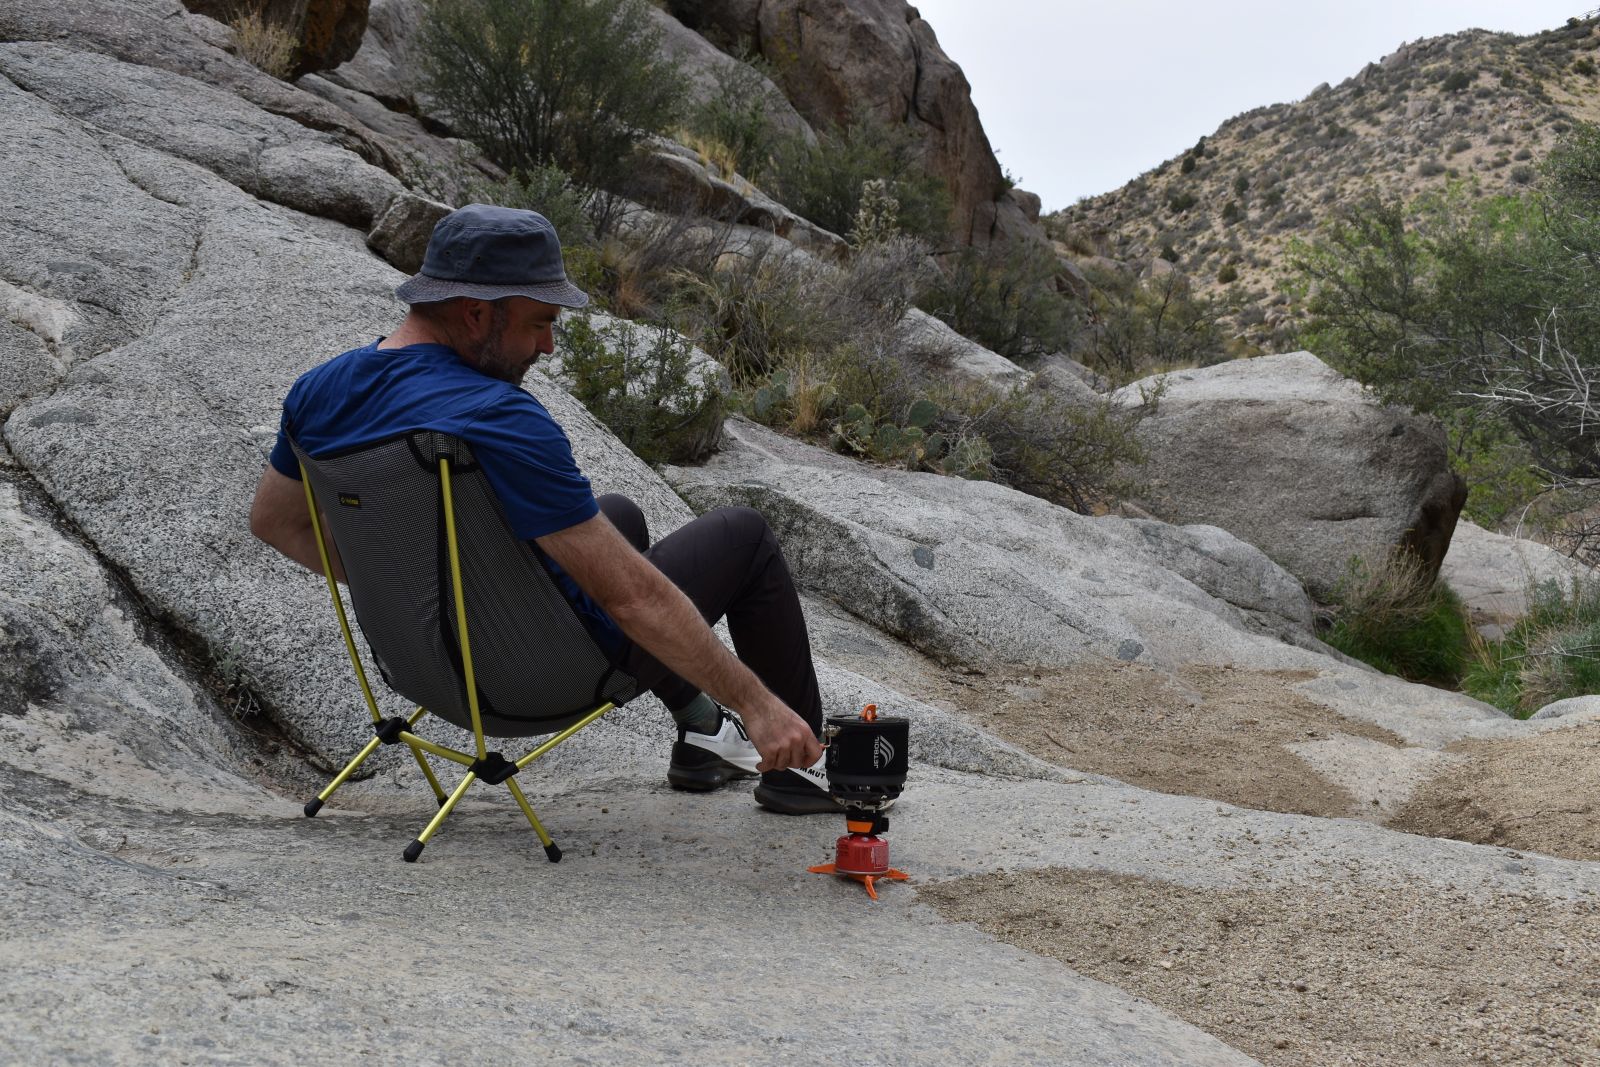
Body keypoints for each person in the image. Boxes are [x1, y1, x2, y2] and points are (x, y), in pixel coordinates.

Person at [249, 204, 843, 814]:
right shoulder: (497, 415)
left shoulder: (317, 391)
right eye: (538, 323)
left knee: (619, 516)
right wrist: (760, 705)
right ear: (476, 312)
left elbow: (273, 522)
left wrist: (417, 595)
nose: (549, 346)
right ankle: (802, 771)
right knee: (742, 535)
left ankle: (702, 734)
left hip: (428, 671)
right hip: (535, 680)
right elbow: (632, 598)